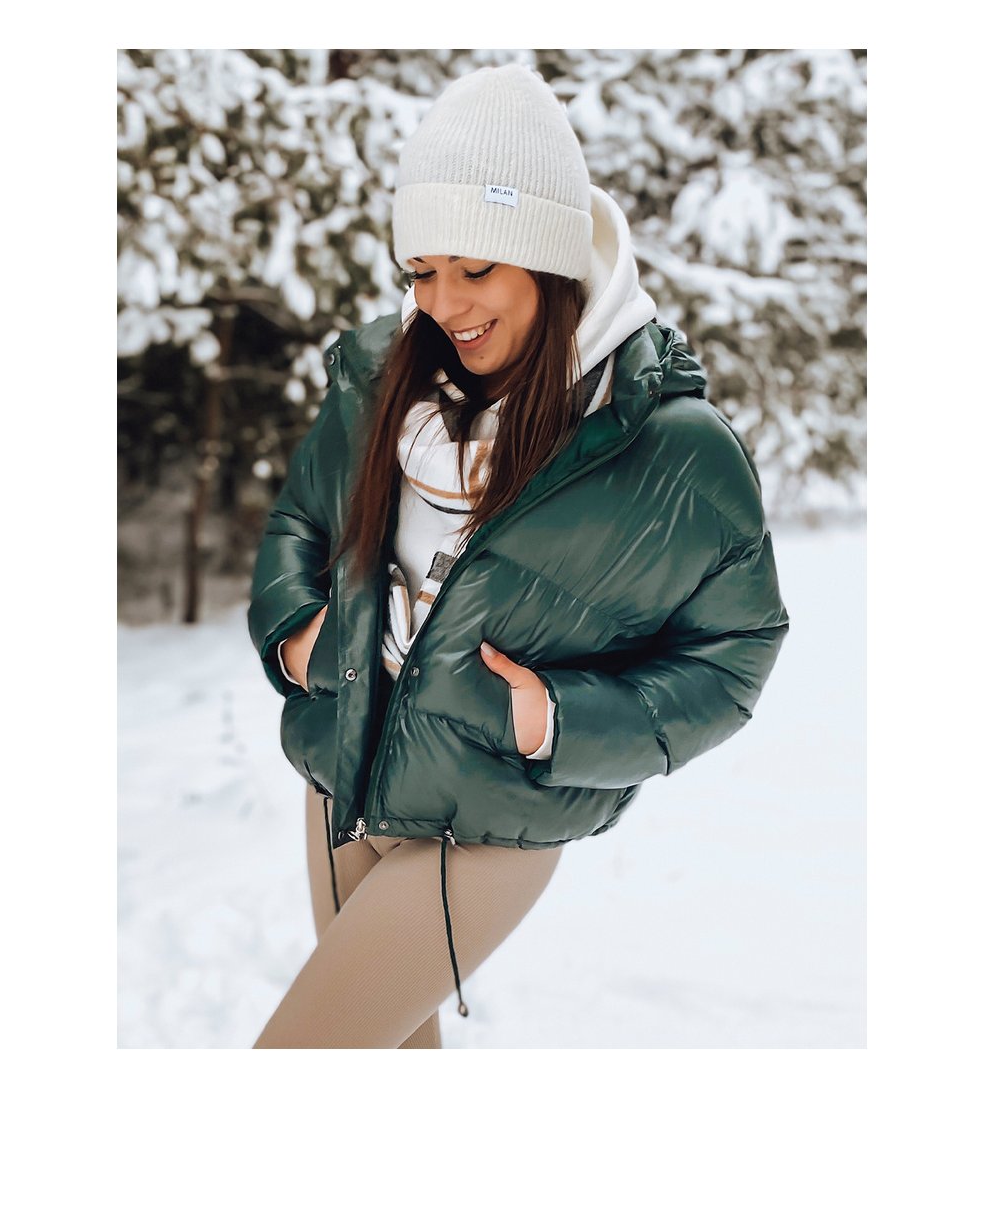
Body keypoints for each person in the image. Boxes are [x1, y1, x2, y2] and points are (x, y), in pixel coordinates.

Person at [247, 62, 790, 1048]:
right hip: (341, 771)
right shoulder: (379, 381)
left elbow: (734, 652)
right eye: (421, 271)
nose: (442, 303)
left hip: (489, 817)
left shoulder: (667, 445)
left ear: (545, 260)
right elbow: (299, 526)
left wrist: (556, 719)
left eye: (474, 269)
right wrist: (298, 638)